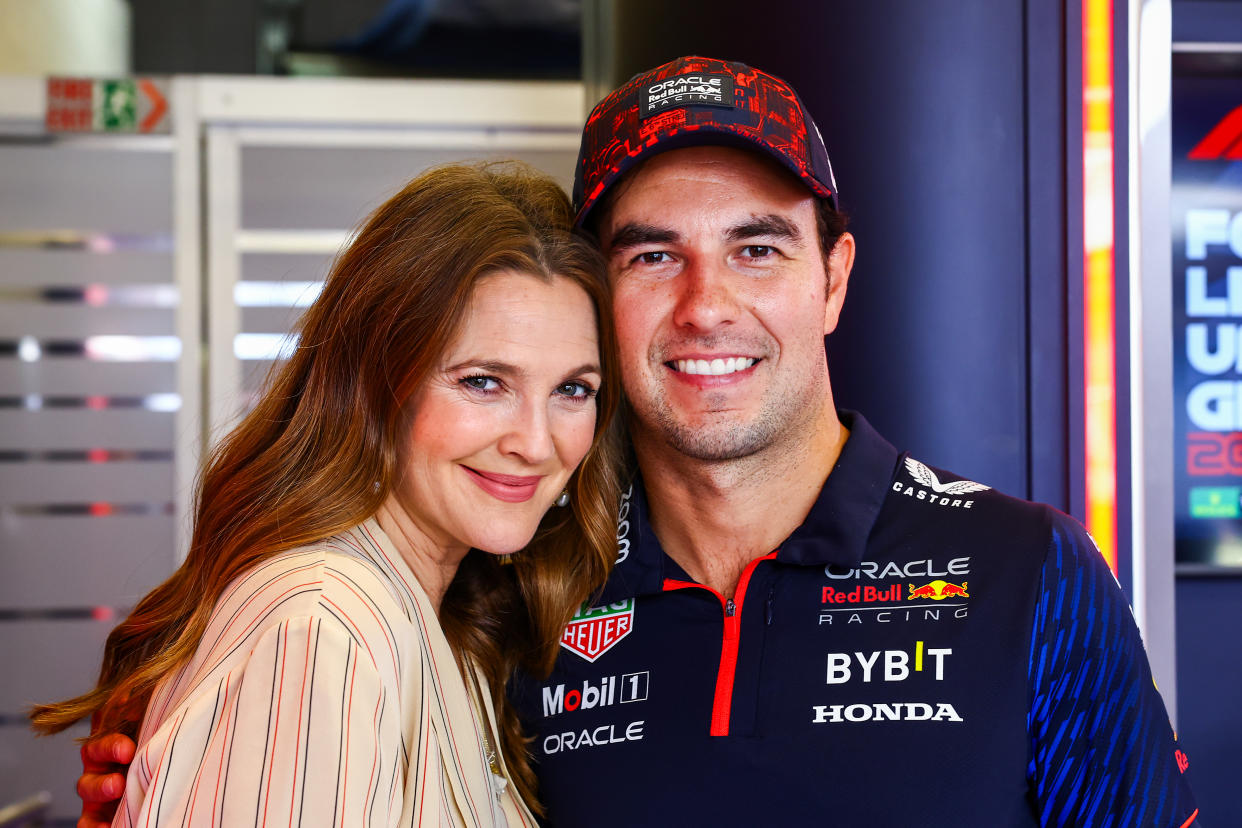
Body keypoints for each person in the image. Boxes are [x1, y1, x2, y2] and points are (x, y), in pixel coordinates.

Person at [76, 57, 1199, 827]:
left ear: (834, 281)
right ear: (594, 295)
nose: (707, 304)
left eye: (757, 249)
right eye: (653, 254)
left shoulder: (1028, 575)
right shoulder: (509, 592)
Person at [36, 161, 623, 826]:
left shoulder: (437, 616)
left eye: (573, 390)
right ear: (376, 382)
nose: (537, 443)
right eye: (483, 382)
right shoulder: (324, 632)